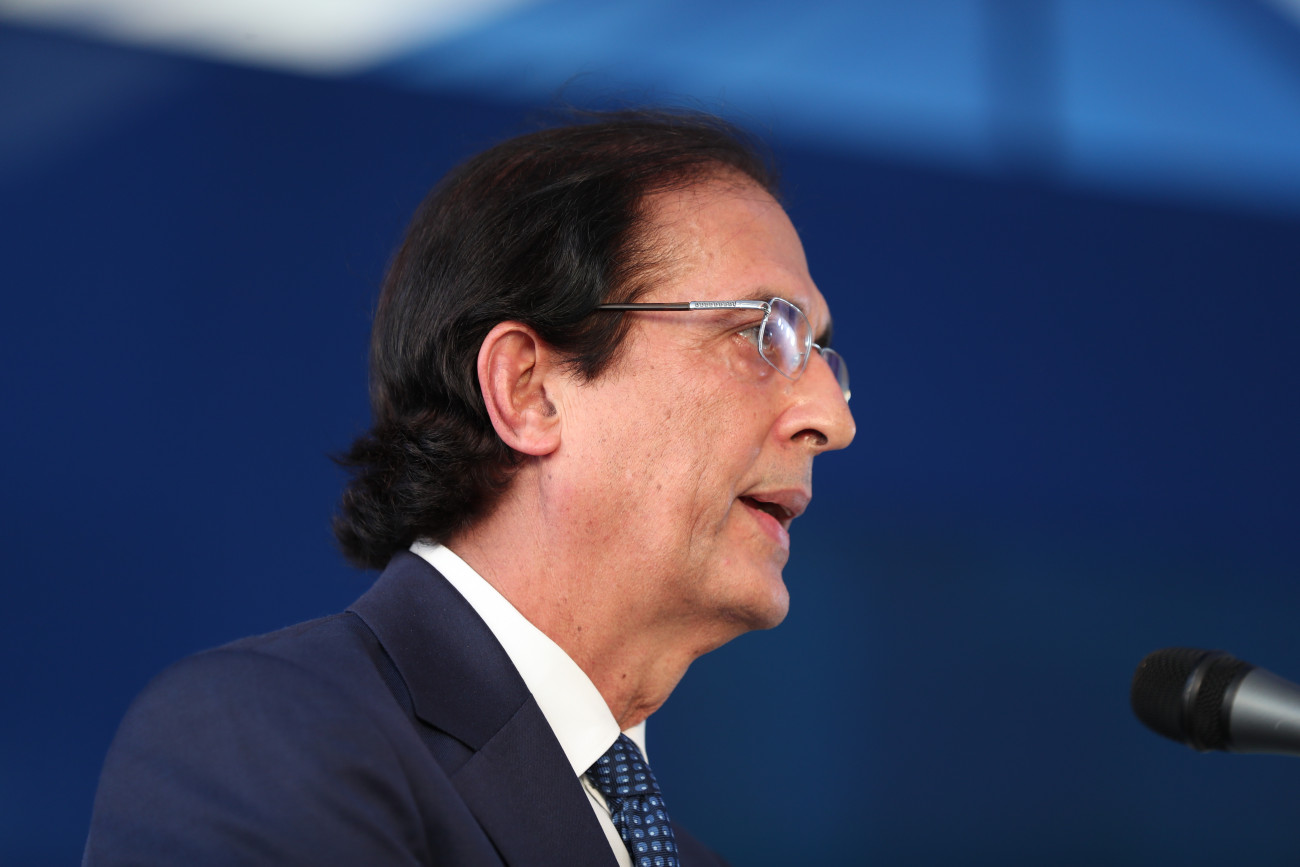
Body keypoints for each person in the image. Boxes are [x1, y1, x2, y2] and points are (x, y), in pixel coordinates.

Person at [83, 109, 855, 866]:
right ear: (529, 389)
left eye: (821, 354)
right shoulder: (266, 741)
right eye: (764, 332)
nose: (833, 419)